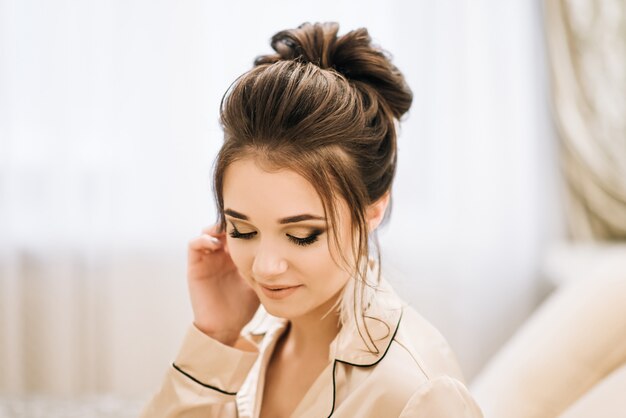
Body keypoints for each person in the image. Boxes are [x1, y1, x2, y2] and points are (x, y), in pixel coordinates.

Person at [141, 22, 483, 418]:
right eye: (243, 230)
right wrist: (215, 337)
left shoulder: (413, 392)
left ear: (373, 209)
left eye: (303, 235)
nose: (265, 267)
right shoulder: (253, 337)